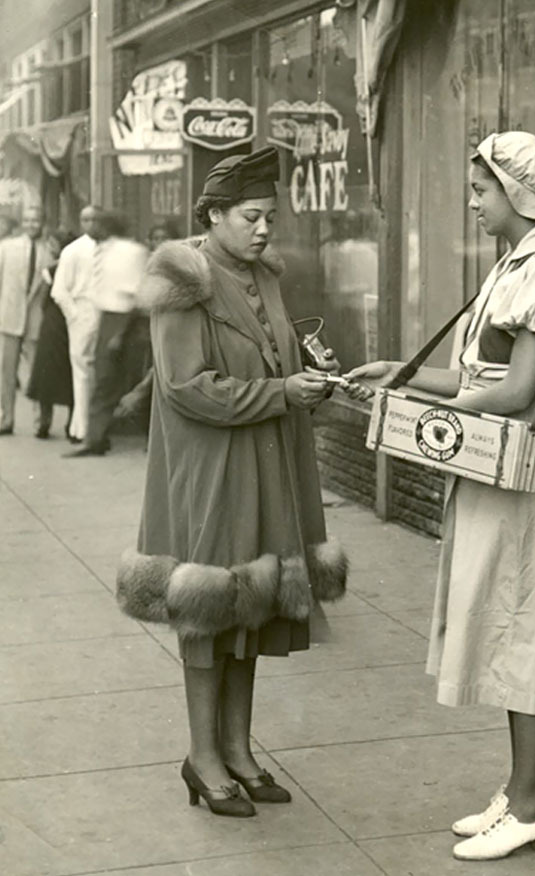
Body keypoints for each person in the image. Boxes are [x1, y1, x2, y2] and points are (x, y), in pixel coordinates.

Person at [346, 131, 535, 861]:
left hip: (516, 473)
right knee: (505, 626)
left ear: (513, 192)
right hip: (490, 471)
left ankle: (534, 804)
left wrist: (433, 420)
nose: (474, 205)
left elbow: (514, 391)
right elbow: (481, 378)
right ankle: (520, 790)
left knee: (523, 626)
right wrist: (403, 372)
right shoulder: (510, 266)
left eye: (481, 192)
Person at [115, 147, 347, 818]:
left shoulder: (261, 275)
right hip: (212, 472)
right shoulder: (184, 278)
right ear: (214, 214)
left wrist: (307, 374)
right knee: (209, 607)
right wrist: (282, 390)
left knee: (254, 601)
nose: (265, 229)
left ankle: (239, 751)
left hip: (267, 459)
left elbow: (273, 353)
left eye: (271, 216)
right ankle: (203, 757)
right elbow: (188, 388)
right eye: (251, 216)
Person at [65, 212, 149, 456]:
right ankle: (95, 439)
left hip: (127, 321)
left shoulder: (132, 252)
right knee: (104, 381)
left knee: (132, 382)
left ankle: (148, 438)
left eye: (98, 223)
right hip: (108, 319)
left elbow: (136, 295)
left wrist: (119, 334)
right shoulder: (104, 250)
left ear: (108, 227)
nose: (93, 228)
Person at [0, 205, 53, 436]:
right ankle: (6, 419)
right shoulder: (5, 248)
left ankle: (41, 422)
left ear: (42, 223)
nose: (32, 224)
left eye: (36, 220)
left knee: (36, 372)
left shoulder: (49, 251)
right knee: (6, 372)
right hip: (8, 317)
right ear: (22, 223)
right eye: (28, 220)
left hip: (35, 319)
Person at [50, 205, 101, 443]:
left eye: (95, 219)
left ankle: (96, 428)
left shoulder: (109, 248)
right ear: (81, 223)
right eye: (86, 219)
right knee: (81, 373)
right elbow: (59, 290)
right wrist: (75, 315)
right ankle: (80, 429)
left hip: (105, 313)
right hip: (82, 313)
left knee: (100, 373)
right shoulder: (73, 250)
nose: (91, 224)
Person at [26, 230, 77, 438]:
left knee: (45, 372)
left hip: (52, 322)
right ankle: (71, 424)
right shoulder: (77, 267)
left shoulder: (51, 269)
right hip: (72, 322)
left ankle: (44, 423)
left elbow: (46, 299)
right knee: (70, 373)